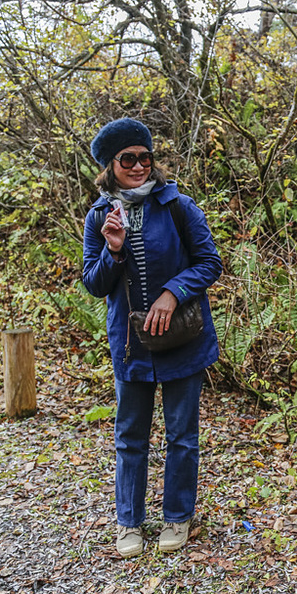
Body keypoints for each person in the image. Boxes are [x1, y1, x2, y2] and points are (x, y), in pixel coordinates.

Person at [81, 118, 222, 558]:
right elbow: (95, 283)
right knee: (130, 437)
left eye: (145, 157)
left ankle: (177, 517)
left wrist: (171, 293)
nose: (139, 166)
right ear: (111, 165)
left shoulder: (178, 205)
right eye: (128, 159)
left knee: (182, 435)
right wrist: (114, 249)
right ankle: (129, 523)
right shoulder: (100, 217)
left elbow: (209, 262)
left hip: (183, 339)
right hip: (131, 345)